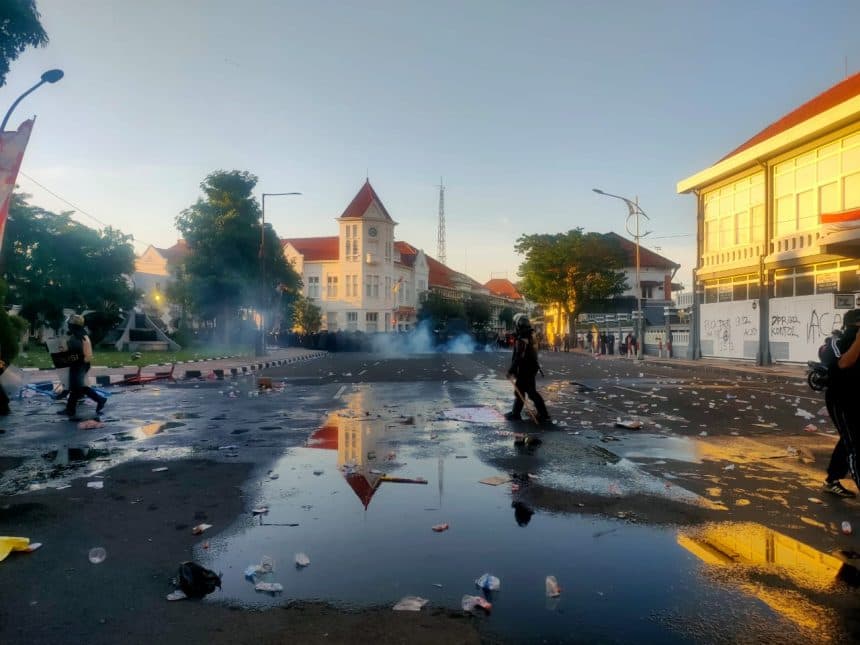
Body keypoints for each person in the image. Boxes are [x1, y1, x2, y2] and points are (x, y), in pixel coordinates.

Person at [818, 309, 860, 498]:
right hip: (841, 399)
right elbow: (843, 363)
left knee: (848, 440)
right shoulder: (837, 342)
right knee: (853, 444)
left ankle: (832, 479)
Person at [59, 315, 106, 418]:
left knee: (76, 388)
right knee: (79, 387)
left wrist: (63, 348)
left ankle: (70, 410)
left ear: (72, 325)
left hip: (79, 364)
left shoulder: (78, 337)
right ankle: (99, 400)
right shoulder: (81, 334)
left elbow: (74, 351)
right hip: (81, 363)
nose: (68, 326)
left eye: (69, 324)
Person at [505, 314, 550, 423]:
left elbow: (519, 356)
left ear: (518, 325)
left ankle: (543, 414)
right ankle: (516, 413)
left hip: (525, 369)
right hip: (530, 367)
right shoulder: (530, 335)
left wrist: (511, 370)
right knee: (521, 391)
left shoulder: (523, 338)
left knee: (530, 392)